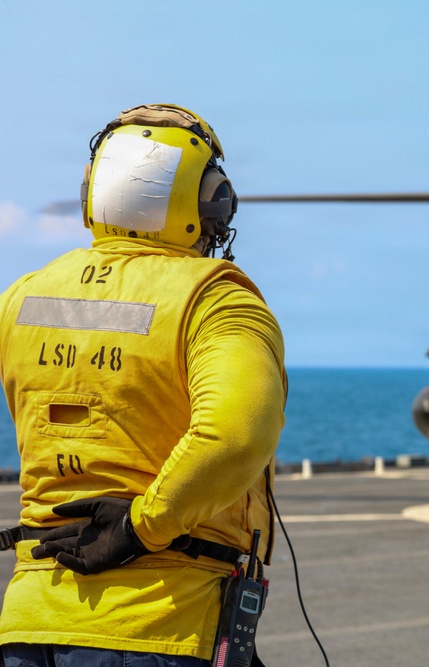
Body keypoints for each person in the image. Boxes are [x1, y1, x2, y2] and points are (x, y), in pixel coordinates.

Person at [0, 104, 287, 666]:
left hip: (31, 622)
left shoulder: (23, 297)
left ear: (92, 195)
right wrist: (139, 527)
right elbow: (235, 434)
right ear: (212, 202)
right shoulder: (214, 299)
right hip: (162, 623)